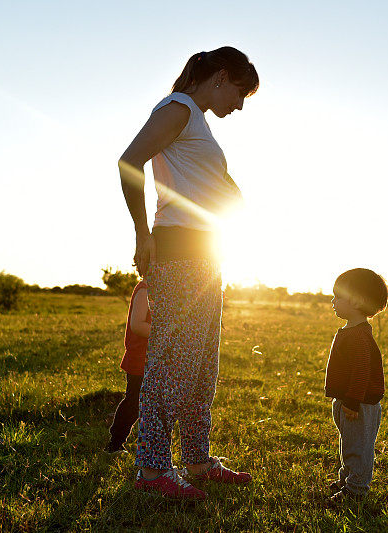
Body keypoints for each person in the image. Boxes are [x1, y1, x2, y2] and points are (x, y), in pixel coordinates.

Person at [118, 46, 258, 500]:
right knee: (171, 362)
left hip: (205, 251)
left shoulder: (195, 119)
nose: (239, 106)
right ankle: (153, 470)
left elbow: (203, 182)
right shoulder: (178, 108)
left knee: (202, 365)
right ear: (220, 76)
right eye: (240, 93)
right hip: (177, 249)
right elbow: (130, 161)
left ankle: (197, 460)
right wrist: (143, 234)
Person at [324, 268, 388, 504]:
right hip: (348, 401)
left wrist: (351, 401)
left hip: (358, 403)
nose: (333, 301)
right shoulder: (351, 331)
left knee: (358, 447)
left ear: (357, 301)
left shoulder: (359, 336)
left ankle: (356, 490)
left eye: (338, 296)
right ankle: (347, 480)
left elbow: (361, 372)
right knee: (348, 442)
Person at [104, 277, 152, 454]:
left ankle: (149, 446)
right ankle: (115, 443)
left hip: (153, 358)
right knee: (133, 402)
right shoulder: (145, 289)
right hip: (140, 357)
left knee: (149, 404)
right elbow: (137, 325)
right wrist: (165, 331)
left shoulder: (160, 290)